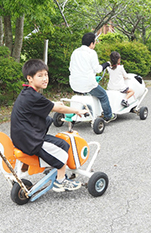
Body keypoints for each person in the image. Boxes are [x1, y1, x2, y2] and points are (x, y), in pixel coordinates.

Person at [10, 59, 86, 192]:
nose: (45, 79)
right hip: (31, 141)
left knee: (60, 141)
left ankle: (48, 168)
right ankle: (60, 182)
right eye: (40, 76)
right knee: (63, 150)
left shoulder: (27, 92)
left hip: (22, 138)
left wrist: (55, 104)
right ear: (30, 78)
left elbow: (47, 104)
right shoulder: (34, 97)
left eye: (46, 75)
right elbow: (58, 109)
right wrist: (76, 111)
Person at [69, 32, 116, 124]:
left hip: (74, 83)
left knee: (85, 95)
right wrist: (106, 64)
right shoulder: (91, 53)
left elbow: (71, 68)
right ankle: (108, 116)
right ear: (91, 43)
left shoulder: (75, 52)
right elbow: (97, 69)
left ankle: (81, 113)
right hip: (87, 84)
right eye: (94, 42)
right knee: (103, 95)